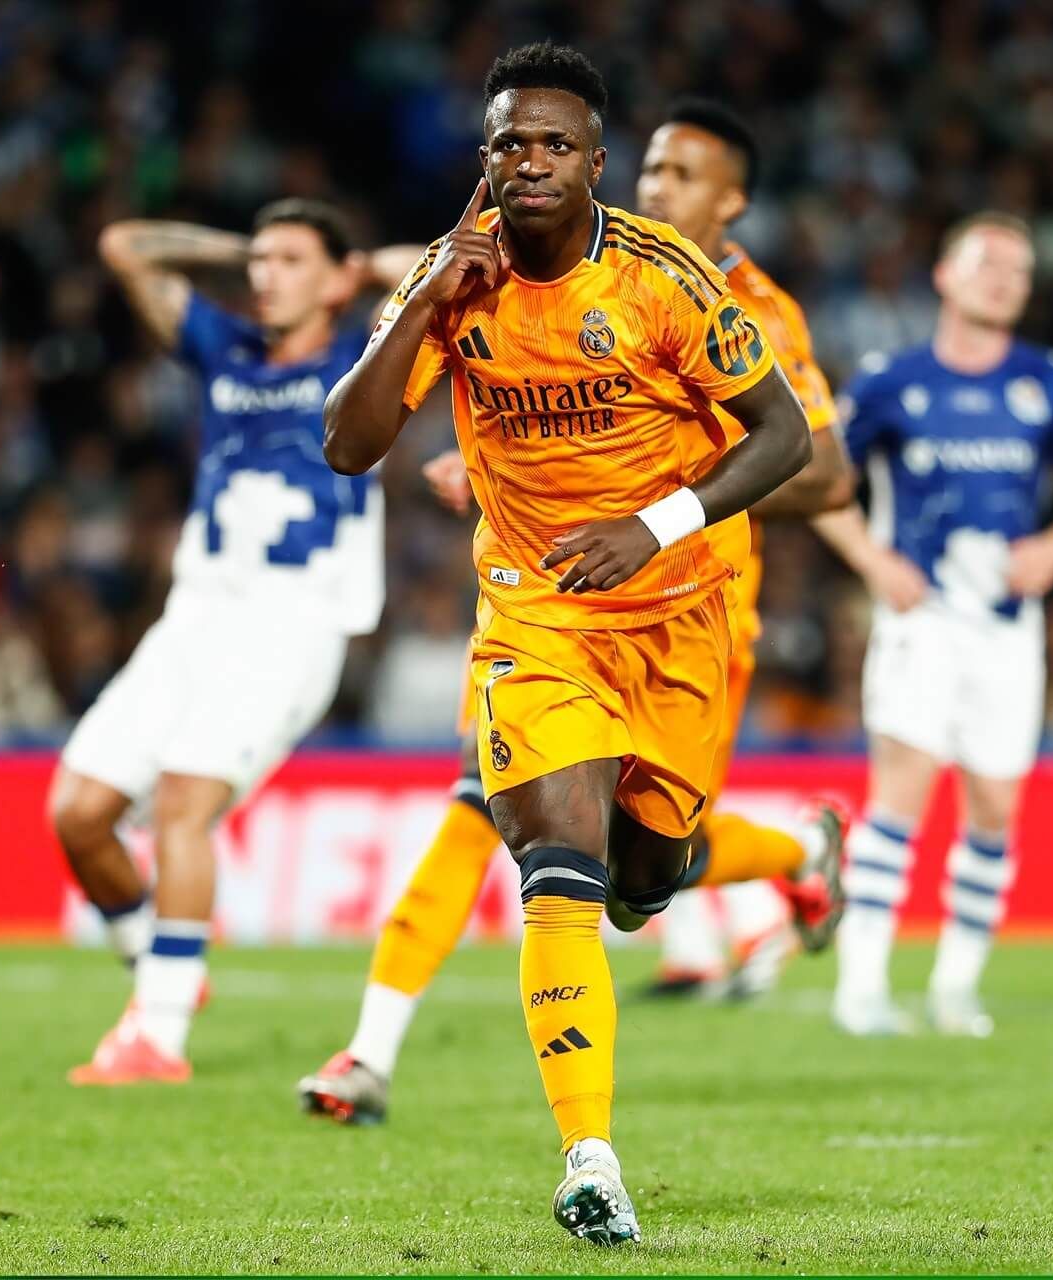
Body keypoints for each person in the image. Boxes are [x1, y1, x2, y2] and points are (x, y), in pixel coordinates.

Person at [321, 43, 812, 1246]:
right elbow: (347, 440)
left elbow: (787, 437)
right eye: (507, 144)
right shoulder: (460, 276)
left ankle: (794, 850)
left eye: (553, 145)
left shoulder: (664, 277)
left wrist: (653, 524)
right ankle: (590, 1155)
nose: (527, 163)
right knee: (560, 860)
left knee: (649, 876)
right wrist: (428, 299)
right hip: (535, 614)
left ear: (597, 164)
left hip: (678, 609)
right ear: (485, 160)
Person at [51, 199, 382, 1086]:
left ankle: (156, 1037)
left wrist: (362, 268)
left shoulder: (371, 356)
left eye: (290, 260)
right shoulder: (226, 349)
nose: (264, 275)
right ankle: (160, 975)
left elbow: (467, 267)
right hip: (195, 616)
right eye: (259, 261)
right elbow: (122, 241)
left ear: (343, 277)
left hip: (294, 621)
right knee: (77, 813)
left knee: (181, 808)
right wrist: (244, 245)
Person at [814, 212, 1053, 1037]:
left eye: (1019, 270)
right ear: (945, 276)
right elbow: (818, 484)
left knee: (993, 807)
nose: (1005, 280)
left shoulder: (1051, 382)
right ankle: (863, 988)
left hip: (1008, 625)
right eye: (988, 263)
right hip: (923, 621)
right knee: (901, 793)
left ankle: (955, 986)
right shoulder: (888, 381)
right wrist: (874, 564)